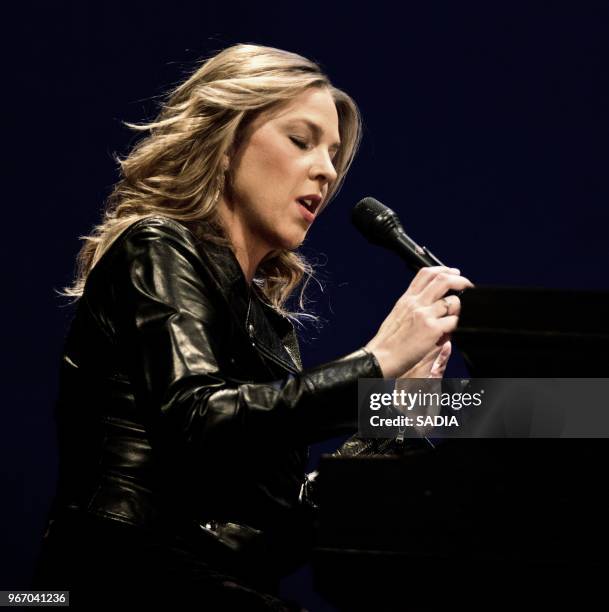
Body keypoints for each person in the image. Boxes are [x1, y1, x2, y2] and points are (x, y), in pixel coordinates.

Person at [32, 43, 472, 610]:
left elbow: (280, 530)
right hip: (107, 581)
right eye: (301, 140)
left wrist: (395, 417)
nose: (327, 170)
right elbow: (198, 417)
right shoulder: (156, 247)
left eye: (335, 154)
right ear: (225, 141)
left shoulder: (268, 328)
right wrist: (377, 359)